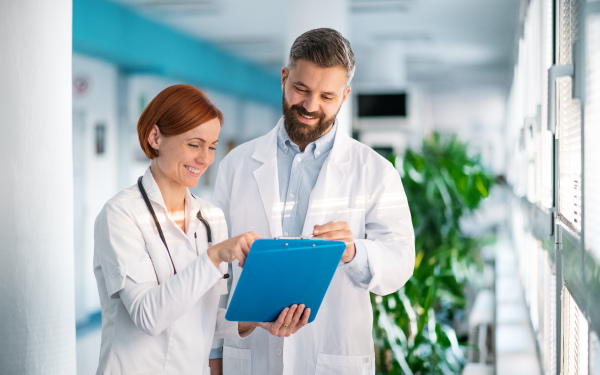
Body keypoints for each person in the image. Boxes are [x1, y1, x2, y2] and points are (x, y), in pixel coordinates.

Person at [212, 28, 415, 374]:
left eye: (327, 96)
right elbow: (216, 272)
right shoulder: (237, 164)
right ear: (284, 77)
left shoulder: (375, 171)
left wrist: (353, 252)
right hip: (249, 357)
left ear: (345, 95)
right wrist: (214, 357)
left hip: (332, 356)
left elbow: (400, 261)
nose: (310, 106)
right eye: (301, 89)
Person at [93, 84, 309, 375]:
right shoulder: (121, 214)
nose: (206, 159)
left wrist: (257, 319)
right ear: (155, 137)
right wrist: (214, 256)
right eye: (194, 144)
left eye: (212, 147)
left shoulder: (210, 217)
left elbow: (201, 319)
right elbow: (149, 316)